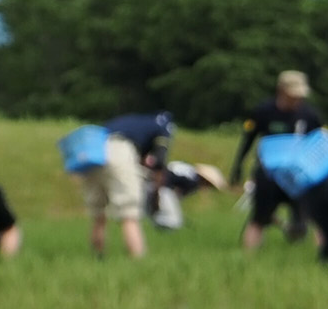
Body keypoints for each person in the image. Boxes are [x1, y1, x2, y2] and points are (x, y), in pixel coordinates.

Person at [233, 70, 324, 251]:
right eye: (293, 96)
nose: (297, 100)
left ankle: (325, 259)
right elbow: (248, 140)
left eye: (300, 96)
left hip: (300, 176)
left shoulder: (310, 116)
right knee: (258, 218)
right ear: (281, 91)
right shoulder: (263, 112)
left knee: (315, 217)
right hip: (269, 175)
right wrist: (238, 167)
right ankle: (246, 258)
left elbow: (321, 144)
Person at [80, 111, 174, 259]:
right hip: (119, 150)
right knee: (129, 214)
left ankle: (97, 259)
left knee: (98, 215)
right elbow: (160, 159)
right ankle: (139, 263)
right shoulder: (164, 125)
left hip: (92, 152)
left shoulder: (131, 120)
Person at [149, 161, 226, 231]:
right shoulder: (193, 182)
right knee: (174, 221)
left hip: (155, 182)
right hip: (163, 188)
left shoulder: (190, 171)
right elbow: (178, 194)